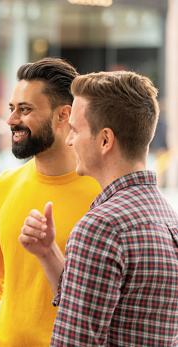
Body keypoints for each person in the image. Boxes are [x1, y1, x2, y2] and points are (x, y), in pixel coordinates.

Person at [20, 71, 178, 345]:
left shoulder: (101, 227)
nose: (69, 140)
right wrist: (48, 253)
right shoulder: (167, 217)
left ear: (105, 140)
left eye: (76, 130)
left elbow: (75, 341)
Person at [0, 57, 101, 346]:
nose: (12, 120)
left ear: (64, 116)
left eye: (25, 110)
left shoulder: (102, 194)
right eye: (12, 109)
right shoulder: (4, 186)